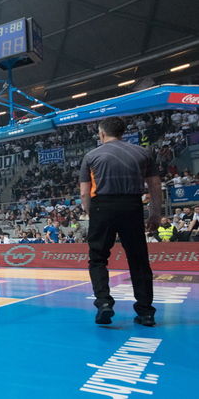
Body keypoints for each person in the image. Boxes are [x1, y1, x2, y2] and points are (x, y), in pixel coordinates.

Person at [80, 116, 161, 327]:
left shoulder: (91, 156)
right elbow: (155, 186)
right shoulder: (143, 153)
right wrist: (155, 214)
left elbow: (84, 193)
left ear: (102, 133)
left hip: (102, 206)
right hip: (132, 206)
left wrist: (92, 213)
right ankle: (146, 312)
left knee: (98, 258)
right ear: (123, 132)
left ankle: (104, 303)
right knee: (138, 259)